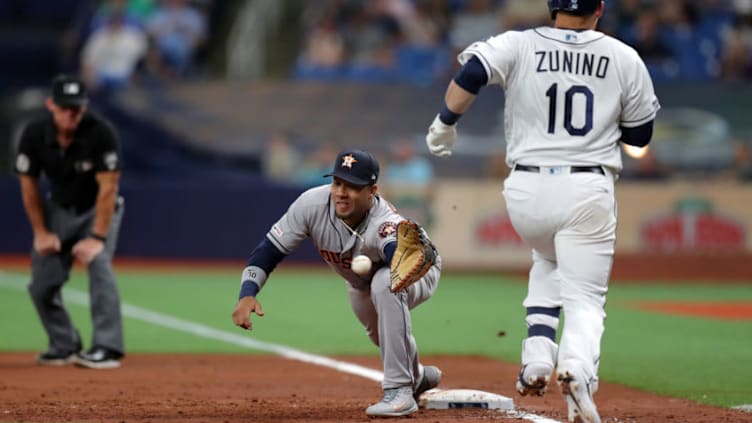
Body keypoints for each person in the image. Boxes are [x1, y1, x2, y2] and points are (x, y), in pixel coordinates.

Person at [424, 1, 660, 422]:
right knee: (586, 298)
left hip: (526, 190)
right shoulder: (624, 56)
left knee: (548, 257)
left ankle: (537, 357)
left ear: (552, 7)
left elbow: (472, 73)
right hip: (586, 186)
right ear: (600, 9)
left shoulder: (518, 44)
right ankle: (577, 369)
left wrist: (445, 123)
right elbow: (640, 134)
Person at [231, 149, 442, 417]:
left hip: (420, 270)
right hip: (359, 283)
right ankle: (418, 376)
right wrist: (247, 293)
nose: (341, 192)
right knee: (381, 334)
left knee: (384, 284)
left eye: (352, 186)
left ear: (372, 190)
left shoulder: (384, 223)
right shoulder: (311, 205)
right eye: (337, 182)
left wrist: (401, 258)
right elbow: (268, 251)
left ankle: (399, 392)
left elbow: (396, 254)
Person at [14, 75, 126, 370]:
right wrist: (40, 232)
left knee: (99, 265)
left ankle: (107, 347)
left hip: (98, 209)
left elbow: (108, 189)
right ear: (51, 105)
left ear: (85, 106)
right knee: (41, 285)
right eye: (65, 108)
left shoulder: (101, 133)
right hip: (59, 210)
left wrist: (97, 238)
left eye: (76, 108)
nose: (71, 114)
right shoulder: (35, 134)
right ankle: (64, 344)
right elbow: (28, 186)